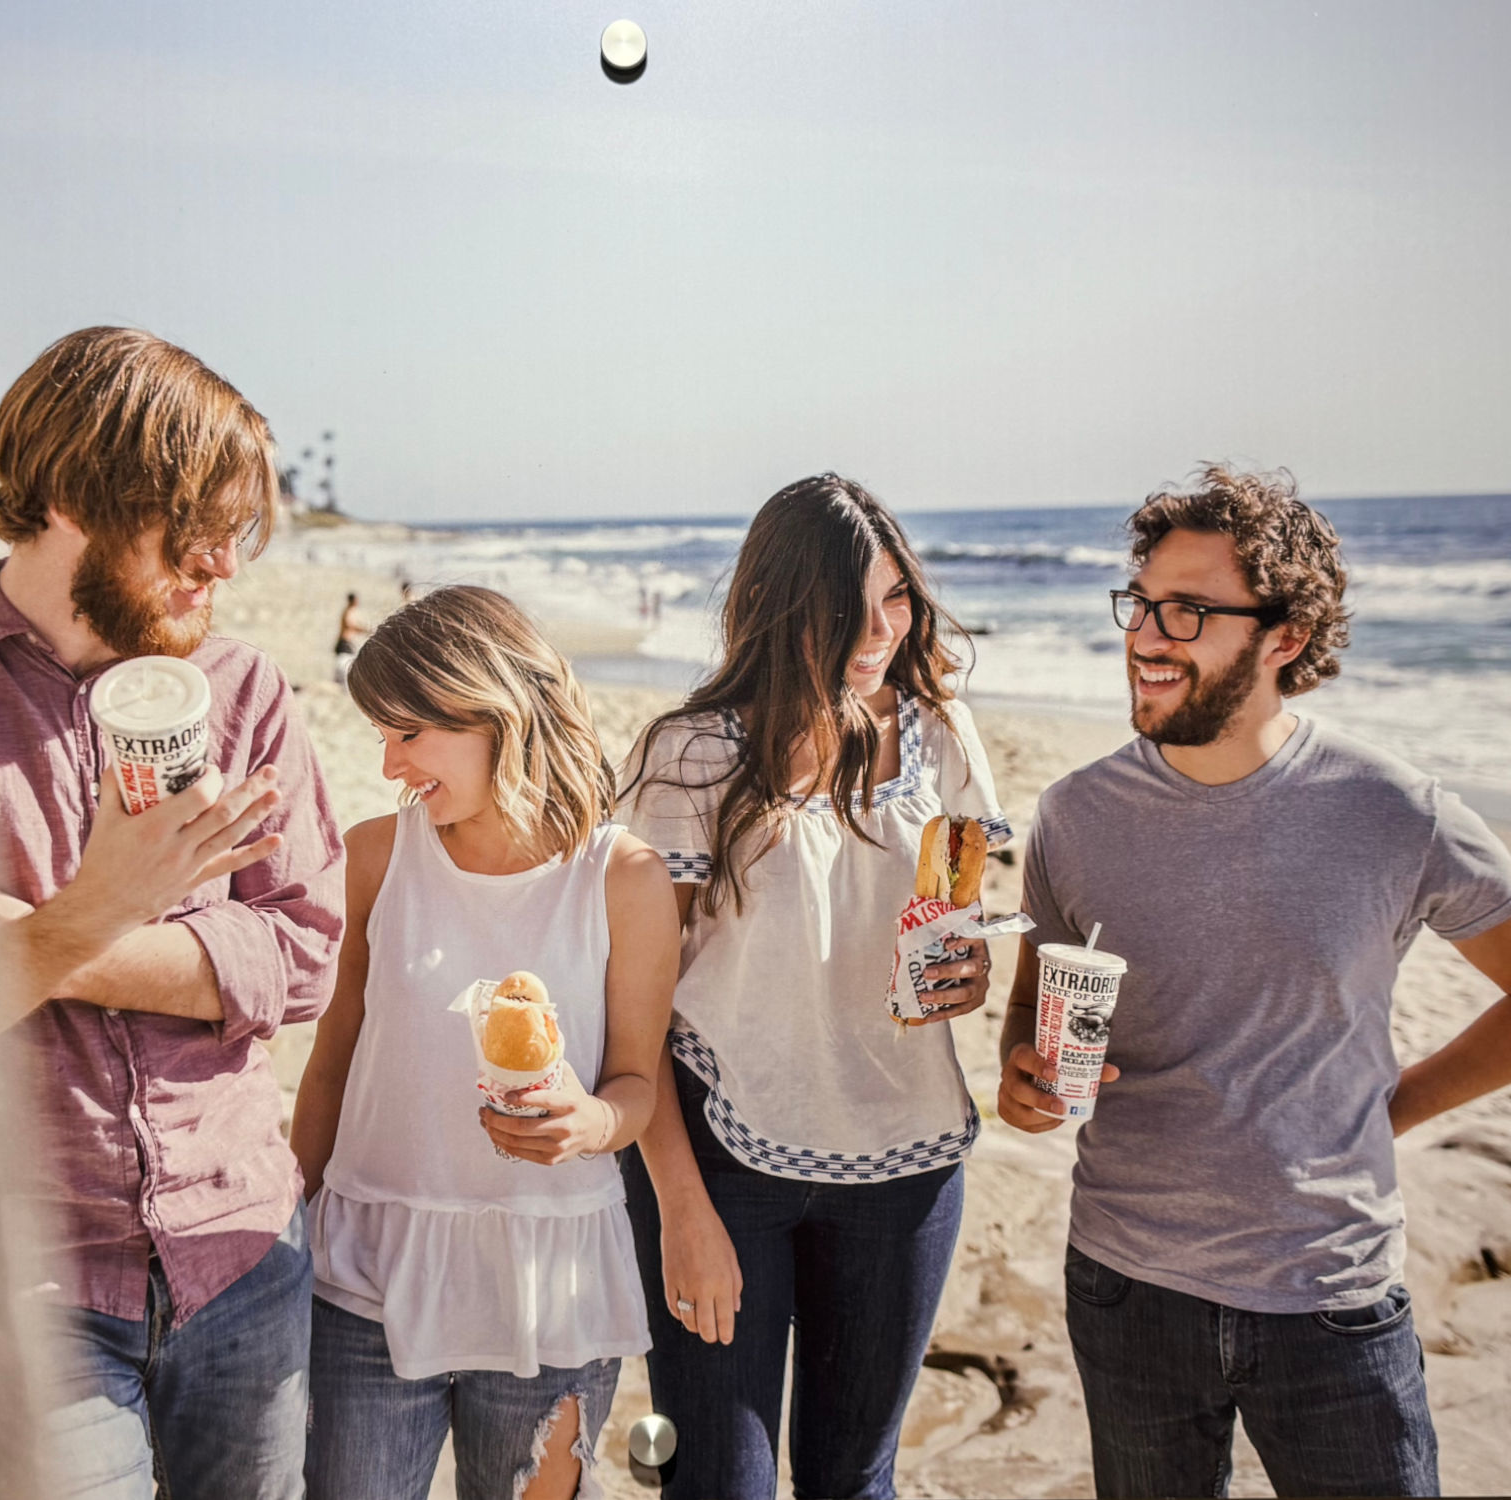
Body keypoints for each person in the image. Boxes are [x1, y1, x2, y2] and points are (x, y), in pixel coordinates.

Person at [997, 464, 1511, 1499]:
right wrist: (1024, 1079)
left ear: (1281, 637)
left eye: (1185, 611)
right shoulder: (1069, 815)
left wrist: (1391, 1108)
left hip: (1330, 1298)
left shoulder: (1391, 813)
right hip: (1121, 1287)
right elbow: (1036, 1013)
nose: (1144, 634)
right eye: (1138, 604)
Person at [0, 327, 345, 1500]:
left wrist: (41, 939)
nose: (222, 564)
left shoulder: (245, 692)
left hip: (242, 1253)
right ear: (66, 496)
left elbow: (300, 954)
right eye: (188, 528)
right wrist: (103, 909)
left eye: (235, 531)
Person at [616, 474, 1009, 1500]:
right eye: (847, 608)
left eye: (894, 600)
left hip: (903, 1160)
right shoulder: (691, 755)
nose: (877, 632)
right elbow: (633, 1015)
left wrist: (966, 974)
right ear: (781, 606)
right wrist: (680, 1212)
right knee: (714, 1483)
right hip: (722, 1153)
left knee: (852, 1481)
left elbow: (952, 926)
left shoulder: (940, 739)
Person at [291, 586, 679, 1500]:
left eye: (408, 734)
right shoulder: (376, 857)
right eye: (381, 736)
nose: (390, 764)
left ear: (491, 711)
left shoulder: (622, 877)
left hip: (552, 1283)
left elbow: (637, 1083)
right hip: (368, 1268)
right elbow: (333, 1055)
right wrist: (286, 1218)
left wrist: (589, 1122)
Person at [333, 591, 370, 684]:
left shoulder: (351, 611)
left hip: (348, 642)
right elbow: (349, 625)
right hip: (345, 642)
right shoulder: (347, 611)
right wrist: (365, 630)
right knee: (345, 663)